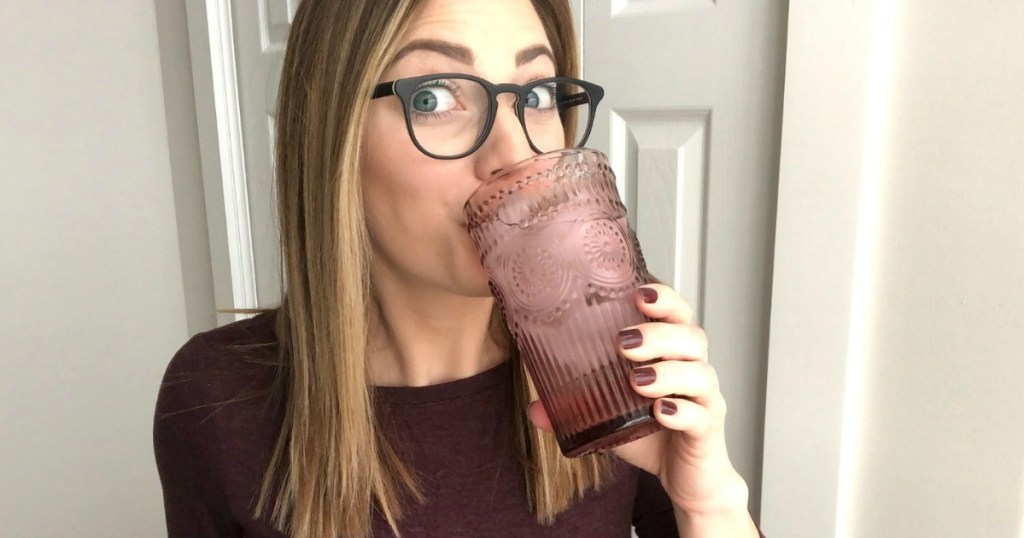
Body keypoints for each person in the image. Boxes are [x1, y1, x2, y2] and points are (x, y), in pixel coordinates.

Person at [154, 0, 764, 536]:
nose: (516, 153)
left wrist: (709, 504)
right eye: (434, 97)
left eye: (537, 94)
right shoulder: (215, 395)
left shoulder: (612, 349)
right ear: (333, 134)